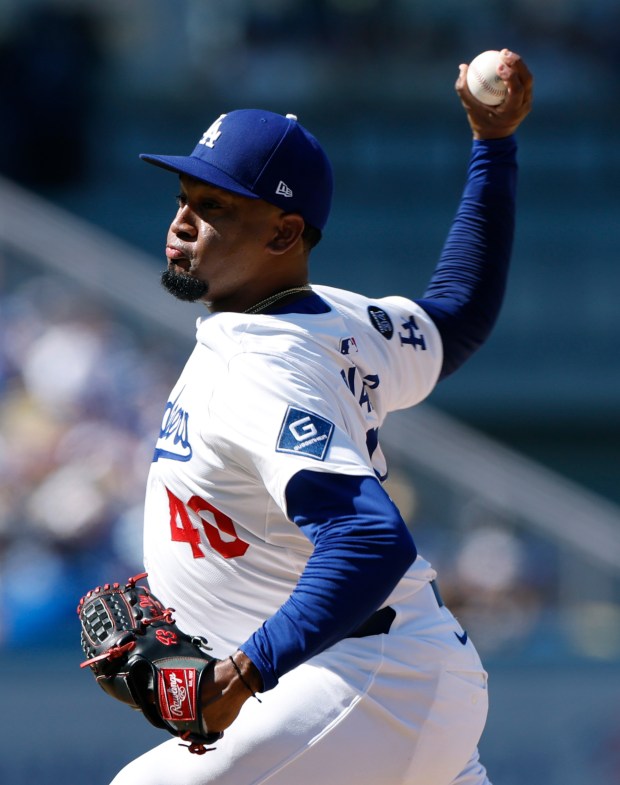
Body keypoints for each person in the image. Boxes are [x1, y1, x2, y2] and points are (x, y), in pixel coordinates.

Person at [111, 49, 532, 785]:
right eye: (184, 195)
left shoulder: (264, 365)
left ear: (283, 233)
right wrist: (493, 145)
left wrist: (239, 675)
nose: (182, 222)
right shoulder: (336, 318)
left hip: (362, 684)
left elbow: (371, 537)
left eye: (214, 206)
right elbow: (457, 314)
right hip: (391, 678)